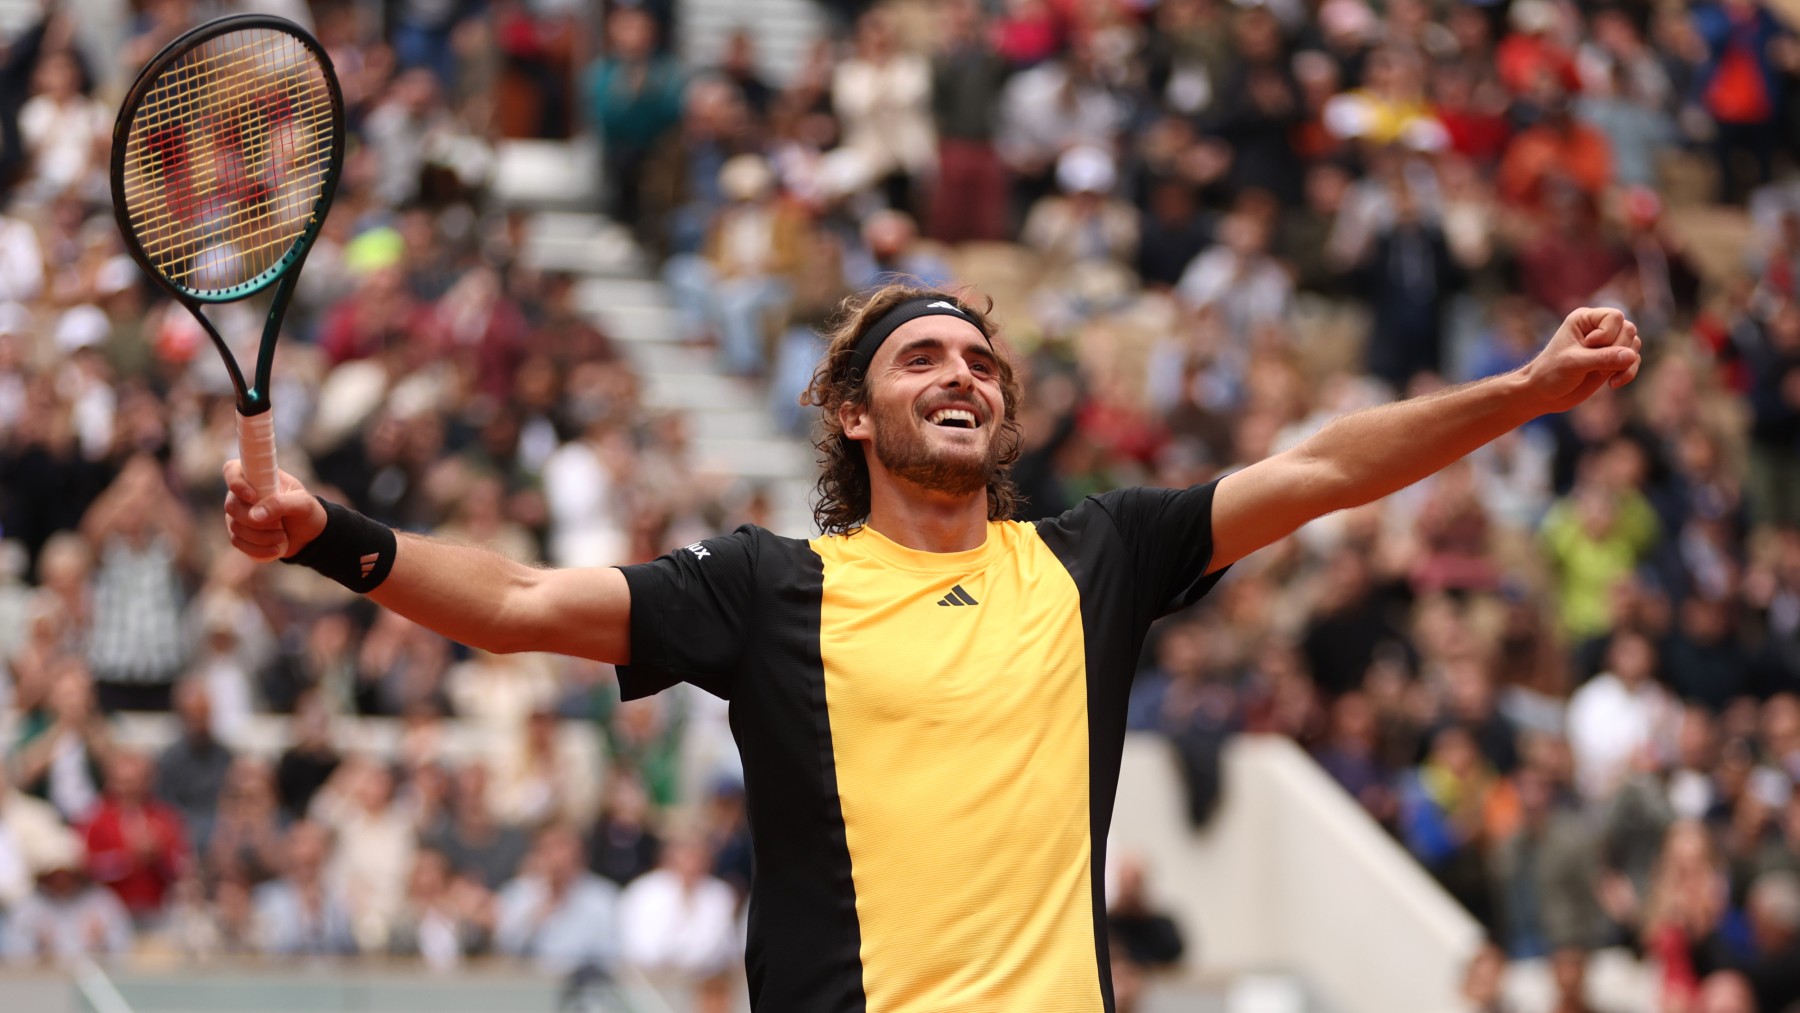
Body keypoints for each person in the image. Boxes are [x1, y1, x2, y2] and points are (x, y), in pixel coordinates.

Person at [221, 282, 1642, 1010]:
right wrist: (331, 532)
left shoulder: (1096, 559)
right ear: (854, 412)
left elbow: (1324, 469)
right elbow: (524, 602)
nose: (961, 375)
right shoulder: (770, 587)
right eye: (924, 358)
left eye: (981, 364)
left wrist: (1523, 389)